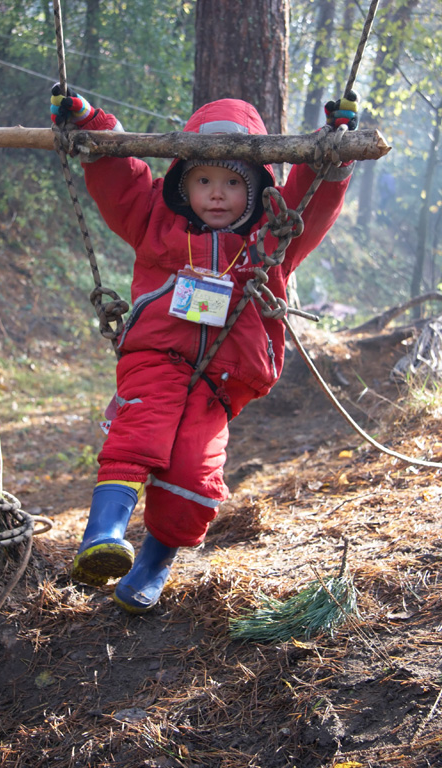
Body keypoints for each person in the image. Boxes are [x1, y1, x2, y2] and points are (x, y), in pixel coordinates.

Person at [50, 88, 359, 614]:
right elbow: (119, 175)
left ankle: (152, 562)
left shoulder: (274, 236)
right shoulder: (155, 221)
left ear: (257, 187)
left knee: (196, 470)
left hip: (222, 378)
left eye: (233, 183)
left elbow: (314, 197)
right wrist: (90, 122)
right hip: (156, 357)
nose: (217, 195)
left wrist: (334, 149)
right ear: (181, 183)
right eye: (203, 181)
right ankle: (102, 534)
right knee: (140, 427)